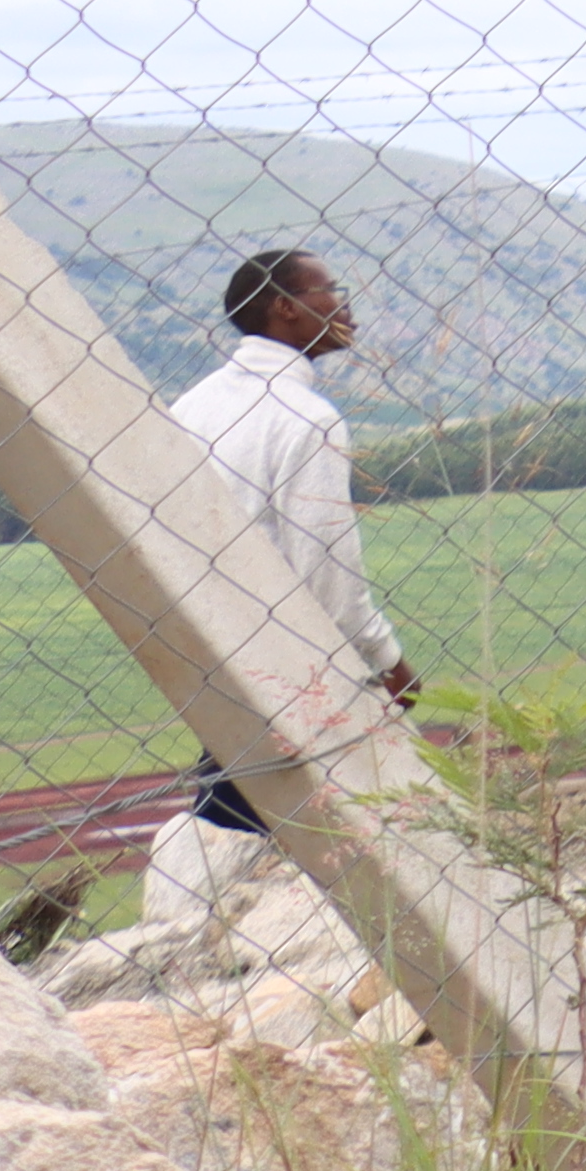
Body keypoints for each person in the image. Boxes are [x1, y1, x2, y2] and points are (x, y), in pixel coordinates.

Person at [150, 249, 412, 888]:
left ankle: (189, 914)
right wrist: (386, 661)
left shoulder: (192, 405)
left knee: (232, 791)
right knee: (323, 820)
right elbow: (328, 572)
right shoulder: (309, 419)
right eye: (330, 290)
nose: (345, 305)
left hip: (207, 634)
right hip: (289, 654)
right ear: (284, 308)